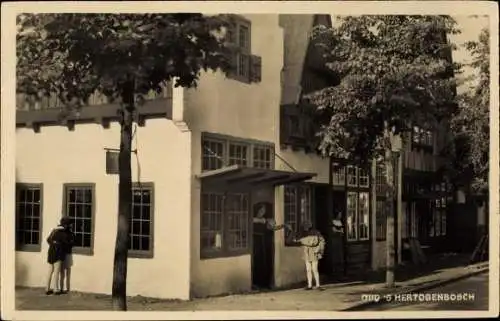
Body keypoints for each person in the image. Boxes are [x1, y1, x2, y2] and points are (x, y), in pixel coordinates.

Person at [294, 221, 326, 290]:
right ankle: (309, 285)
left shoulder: (316, 232)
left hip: (314, 252)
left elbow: (322, 241)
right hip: (306, 252)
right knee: (308, 269)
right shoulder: (302, 234)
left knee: (314, 269)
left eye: (307, 226)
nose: (305, 227)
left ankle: (318, 285)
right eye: (304, 226)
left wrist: (318, 248)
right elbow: (297, 240)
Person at [45, 219, 67, 295]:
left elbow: (48, 240)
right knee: (57, 272)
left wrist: (53, 243)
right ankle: (55, 289)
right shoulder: (64, 233)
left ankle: (47, 288)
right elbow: (65, 243)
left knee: (50, 271)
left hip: (51, 252)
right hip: (58, 253)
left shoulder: (54, 230)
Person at [60, 217, 74, 294]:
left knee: (63, 271)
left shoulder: (61, 231)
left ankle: (63, 287)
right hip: (66, 253)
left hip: (64, 253)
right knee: (66, 271)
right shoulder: (67, 233)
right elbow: (70, 242)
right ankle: (64, 287)